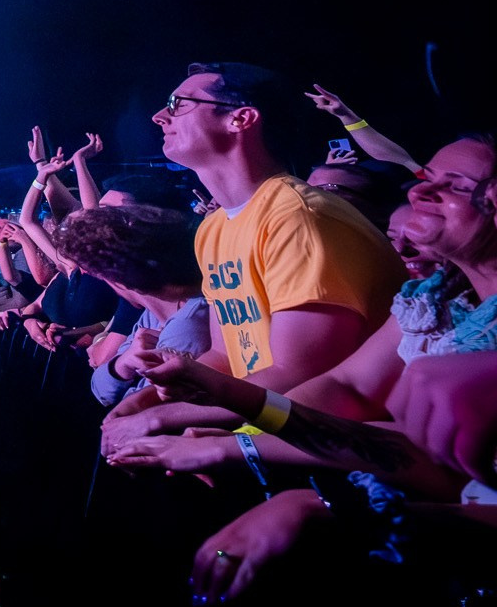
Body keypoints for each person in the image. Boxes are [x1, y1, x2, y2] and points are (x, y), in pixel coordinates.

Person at [99, 62, 405, 455]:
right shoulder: (215, 228)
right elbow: (228, 356)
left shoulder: (297, 216)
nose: (160, 117)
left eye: (178, 104)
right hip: (274, 436)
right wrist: (146, 402)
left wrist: (173, 419)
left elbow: (302, 374)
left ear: (240, 119)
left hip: (350, 457)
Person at [48, 204, 211, 408]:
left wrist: (119, 364)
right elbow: (99, 389)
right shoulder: (151, 315)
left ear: (118, 281)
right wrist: (122, 363)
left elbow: (136, 409)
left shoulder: (188, 325)